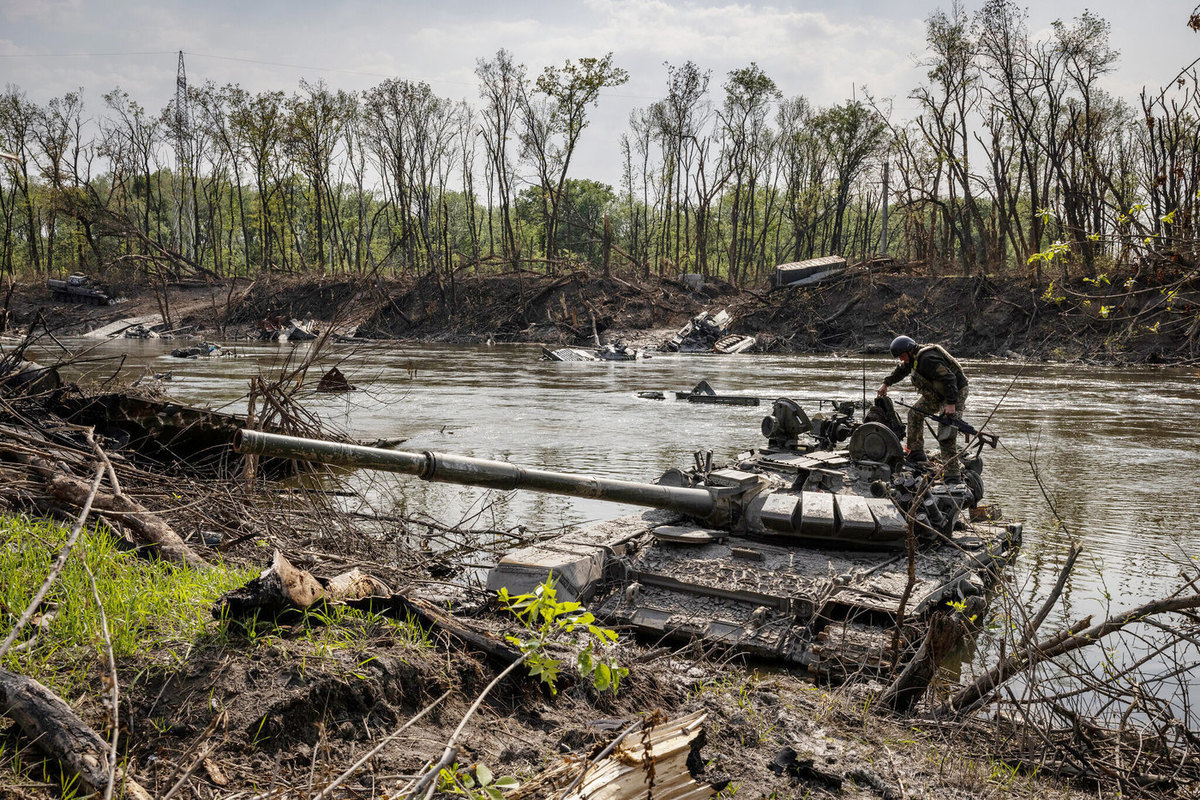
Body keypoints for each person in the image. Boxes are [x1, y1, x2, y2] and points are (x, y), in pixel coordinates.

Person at [877, 335, 969, 481]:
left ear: (909, 350)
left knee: (946, 432)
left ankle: (952, 474)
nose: (901, 359)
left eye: (901, 356)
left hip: (954, 392)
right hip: (937, 393)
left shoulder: (928, 359)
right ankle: (916, 452)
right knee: (914, 414)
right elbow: (901, 370)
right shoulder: (913, 359)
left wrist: (951, 403)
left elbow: (950, 379)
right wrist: (886, 383)